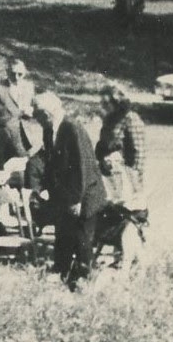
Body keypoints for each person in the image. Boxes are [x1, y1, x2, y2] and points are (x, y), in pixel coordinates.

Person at [33, 92, 107, 290]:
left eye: (37, 113)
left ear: (47, 113)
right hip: (64, 194)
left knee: (82, 238)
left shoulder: (72, 128)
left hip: (84, 194)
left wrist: (77, 200)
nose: (34, 116)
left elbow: (81, 166)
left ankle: (86, 278)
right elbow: (50, 164)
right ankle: (62, 271)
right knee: (63, 234)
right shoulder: (49, 131)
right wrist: (45, 189)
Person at [94, 84, 149, 273]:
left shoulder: (131, 119)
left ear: (117, 101)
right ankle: (121, 256)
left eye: (106, 101)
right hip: (109, 177)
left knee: (127, 216)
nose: (103, 105)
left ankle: (130, 257)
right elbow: (101, 147)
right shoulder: (108, 120)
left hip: (127, 178)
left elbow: (139, 154)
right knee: (110, 214)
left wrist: (134, 182)